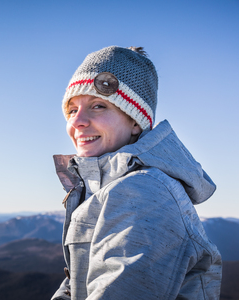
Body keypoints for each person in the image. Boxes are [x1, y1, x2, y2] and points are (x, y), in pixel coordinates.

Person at [51, 46, 222, 300]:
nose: (77, 122)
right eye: (72, 109)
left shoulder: (143, 192)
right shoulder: (107, 188)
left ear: (135, 122)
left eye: (98, 106)